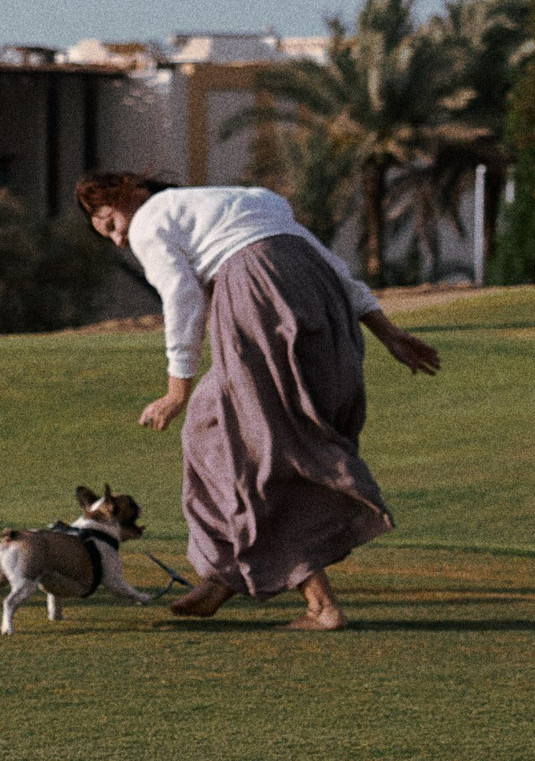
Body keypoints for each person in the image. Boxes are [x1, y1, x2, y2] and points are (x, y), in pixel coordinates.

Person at [74, 171, 441, 631]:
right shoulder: (251, 200)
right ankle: (225, 573)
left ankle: (321, 606)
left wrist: (176, 390)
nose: (119, 239)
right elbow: (332, 267)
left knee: (270, 449)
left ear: (130, 194)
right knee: (207, 430)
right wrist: (388, 333)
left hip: (258, 301)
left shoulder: (150, 217)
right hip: (317, 301)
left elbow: (181, 296)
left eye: (111, 223)